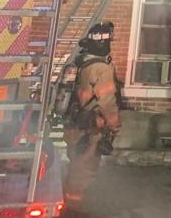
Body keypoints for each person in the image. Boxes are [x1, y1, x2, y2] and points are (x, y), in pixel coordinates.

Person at [62, 22, 122, 214]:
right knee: (85, 169)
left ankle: (69, 203)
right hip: (90, 129)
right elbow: (107, 102)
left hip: (74, 125)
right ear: (105, 43)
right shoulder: (101, 68)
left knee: (75, 166)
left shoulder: (80, 62)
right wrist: (115, 125)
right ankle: (73, 210)